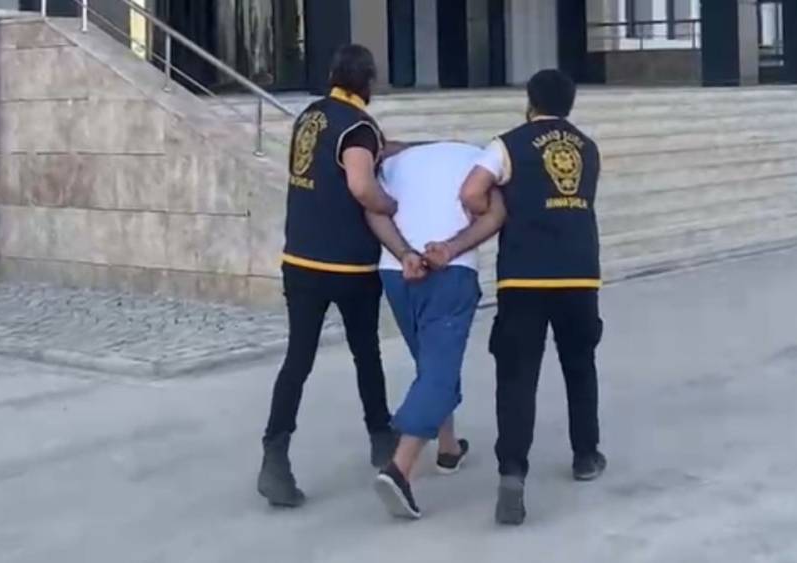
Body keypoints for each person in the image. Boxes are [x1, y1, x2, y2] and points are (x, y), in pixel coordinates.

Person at [258, 44, 413, 508]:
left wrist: (411, 150)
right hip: (348, 263)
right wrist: (391, 204)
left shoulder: (312, 116)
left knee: (298, 359)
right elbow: (362, 185)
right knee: (366, 353)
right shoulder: (358, 126)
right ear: (369, 81)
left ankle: (274, 455)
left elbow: (363, 154)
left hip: (300, 258)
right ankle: (381, 437)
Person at [461, 69, 607, 526]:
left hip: (524, 275)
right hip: (579, 272)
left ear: (530, 102)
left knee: (517, 375)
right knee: (580, 365)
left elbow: (471, 190)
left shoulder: (507, 144)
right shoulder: (588, 148)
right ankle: (586, 455)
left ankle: (512, 474)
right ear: (570, 103)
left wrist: (493, 210)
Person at [364, 142, 507, 519]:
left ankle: (448, 449)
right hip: (451, 272)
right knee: (439, 372)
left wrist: (405, 254)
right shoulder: (481, 159)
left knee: (431, 365)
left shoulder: (395, 162)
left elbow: (374, 211)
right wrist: (450, 248)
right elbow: (494, 214)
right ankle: (399, 470)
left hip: (396, 272)